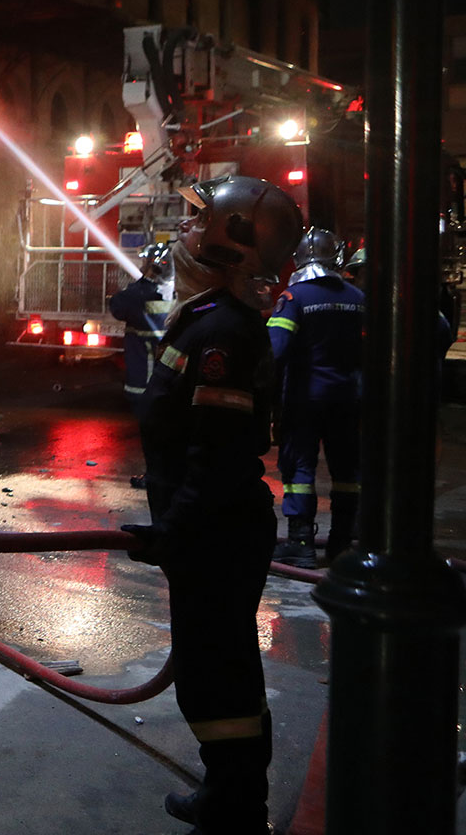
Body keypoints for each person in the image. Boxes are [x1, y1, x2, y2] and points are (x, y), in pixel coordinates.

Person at [121, 174, 301, 835]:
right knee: (222, 670)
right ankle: (229, 793)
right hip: (213, 531)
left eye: (200, 221)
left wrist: (175, 528)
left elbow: (216, 454)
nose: (186, 229)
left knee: (217, 678)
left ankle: (235, 811)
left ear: (233, 241)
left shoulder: (220, 332)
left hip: (214, 537)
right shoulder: (209, 319)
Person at [266, 228, 364, 566]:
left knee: (299, 468)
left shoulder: (294, 298)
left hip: (304, 398)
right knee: (347, 471)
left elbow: (275, 350)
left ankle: (301, 542)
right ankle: (341, 543)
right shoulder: (358, 298)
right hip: (349, 398)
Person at [110, 241, 176, 489]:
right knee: (167, 431)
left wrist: (144, 280)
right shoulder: (176, 293)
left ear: (152, 266)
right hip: (169, 378)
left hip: (145, 381)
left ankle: (156, 477)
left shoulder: (141, 295)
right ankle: (165, 474)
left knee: (152, 434)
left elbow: (117, 305)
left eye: (145, 263)